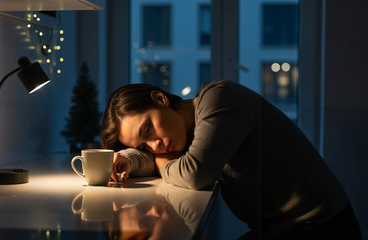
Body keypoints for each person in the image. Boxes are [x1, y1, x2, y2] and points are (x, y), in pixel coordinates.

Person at [100, 80, 362, 239]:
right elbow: (162, 158)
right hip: (281, 231)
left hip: (320, 229)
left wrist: (160, 163)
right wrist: (129, 158)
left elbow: (195, 173)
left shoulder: (218, 99)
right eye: (144, 144)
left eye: (148, 130)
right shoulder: (186, 134)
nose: (155, 145)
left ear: (160, 98)